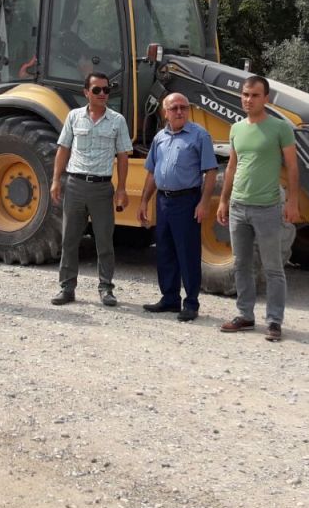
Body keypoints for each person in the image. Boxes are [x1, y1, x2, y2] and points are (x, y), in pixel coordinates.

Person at [216, 75, 300, 342]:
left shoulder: (280, 128)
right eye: (245, 94)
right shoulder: (236, 128)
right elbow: (231, 166)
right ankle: (245, 316)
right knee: (241, 265)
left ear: (266, 98)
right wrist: (223, 200)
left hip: (267, 207)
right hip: (239, 207)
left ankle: (274, 321)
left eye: (254, 95)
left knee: (273, 267)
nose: (248, 100)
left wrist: (293, 201)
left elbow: (293, 167)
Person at [50, 72, 131, 306]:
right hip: (75, 185)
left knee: (104, 241)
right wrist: (56, 179)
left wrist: (122, 188)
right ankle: (66, 288)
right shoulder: (74, 117)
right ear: (86, 92)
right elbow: (63, 149)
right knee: (70, 239)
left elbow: (123, 156)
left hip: (102, 188)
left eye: (107, 90)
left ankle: (106, 288)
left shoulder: (117, 121)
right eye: (97, 90)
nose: (103, 94)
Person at [138, 93, 217, 322]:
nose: (179, 111)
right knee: (164, 250)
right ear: (165, 112)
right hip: (163, 201)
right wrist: (144, 200)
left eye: (184, 107)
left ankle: (191, 303)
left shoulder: (200, 136)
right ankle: (169, 299)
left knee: (188, 252)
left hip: (187, 202)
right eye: (174, 108)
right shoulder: (159, 138)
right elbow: (152, 171)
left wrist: (203, 202)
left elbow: (210, 171)